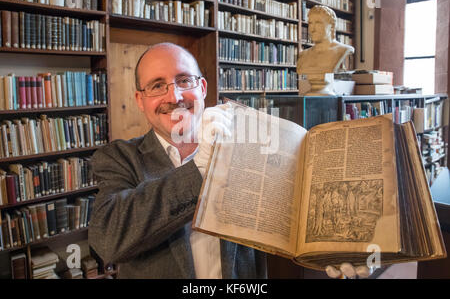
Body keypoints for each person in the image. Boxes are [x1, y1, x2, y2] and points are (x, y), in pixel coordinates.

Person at [88, 42, 370, 279]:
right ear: (140, 100)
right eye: (157, 86)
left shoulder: (249, 147)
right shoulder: (118, 158)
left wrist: (332, 246)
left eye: (184, 80)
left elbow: (287, 216)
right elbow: (109, 239)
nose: (174, 96)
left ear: (202, 88)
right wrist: (202, 169)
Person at [297, 5, 355, 76]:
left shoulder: (343, 50)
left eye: (318, 23)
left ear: (332, 26)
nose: (312, 29)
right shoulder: (303, 55)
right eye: (310, 23)